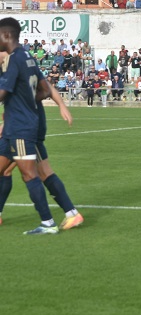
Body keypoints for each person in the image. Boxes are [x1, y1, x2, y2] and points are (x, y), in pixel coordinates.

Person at [0, 75, 84, 230]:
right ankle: (71, 213)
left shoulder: (15, 65)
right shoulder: (16, 65)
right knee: (32, 171)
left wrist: (61, 105)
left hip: (24, 128)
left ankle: (50, 221)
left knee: (35, 173)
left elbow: (47, 87)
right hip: (21, 126)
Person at [0, 17, 58, 234]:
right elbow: (44, 90)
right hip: (13, 128)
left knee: (29, 175)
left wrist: (22, 102)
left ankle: (48, 223)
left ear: (6, 36)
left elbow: (2, 93)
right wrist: (27, 99)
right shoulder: (28, 58)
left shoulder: (14, 59)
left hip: (21, 128)